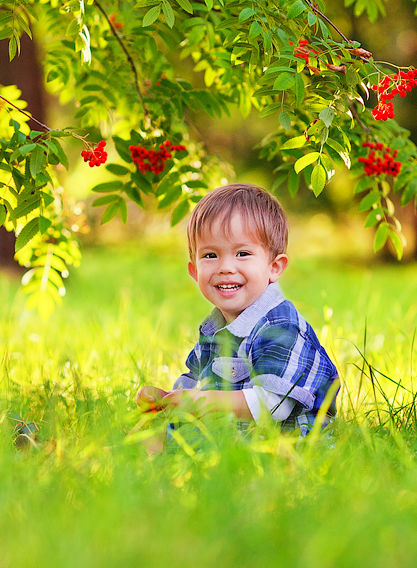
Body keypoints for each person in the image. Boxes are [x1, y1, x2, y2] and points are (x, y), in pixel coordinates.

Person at [136, 183, 339, 445]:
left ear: (274, 267)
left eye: (242, 253)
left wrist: (204, 402)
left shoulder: (280, 326)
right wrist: (166, 398)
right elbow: (195, 384)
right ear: (195, 271)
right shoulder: (214, 328)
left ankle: (156, 457)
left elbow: (275, 406)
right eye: (210, 255)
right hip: (238, 430)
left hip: (285, 441)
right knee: (152, 425)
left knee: (188, 436)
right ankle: (142, 458)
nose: (225, 267)